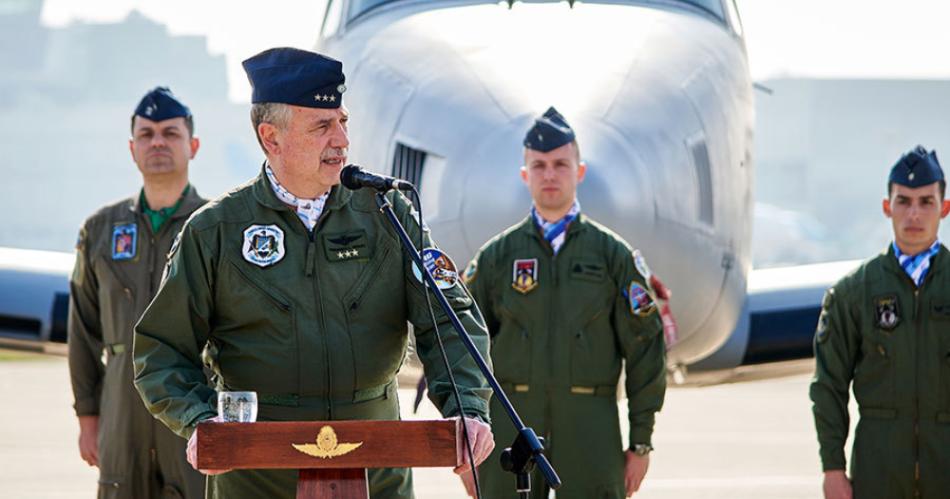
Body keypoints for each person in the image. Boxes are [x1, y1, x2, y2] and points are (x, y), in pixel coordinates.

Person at [131, 47, 495, 499]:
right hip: (256, 476)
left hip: (376, 469)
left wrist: (468, 408)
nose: (341, 139)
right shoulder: (216, 232)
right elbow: (161, 351)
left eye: (343, 122)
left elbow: (449, 319)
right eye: (322, 126)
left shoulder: (387, 214)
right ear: (271, 138)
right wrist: (200, 421)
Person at [462, 107, 667, 498]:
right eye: (539, 166)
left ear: (580, 171)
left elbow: (646, 350)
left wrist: (641, 442)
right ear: (525, 175)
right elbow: (464, 353)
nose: (550, 174)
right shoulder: (496, 258)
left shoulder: (613, 257)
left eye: (560, 164)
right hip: (511, 428)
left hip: (591, 431)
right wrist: (467, 443)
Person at [68, 86, 207, 498]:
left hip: (193, 409)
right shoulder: (100, 230)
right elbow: (83, 331)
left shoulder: (215, 227)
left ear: (193, 145)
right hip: (119, 414)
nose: (158, 142)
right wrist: (88, 416)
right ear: (132, 149)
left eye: (170, 133)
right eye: (146, 135)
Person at [810, 145, 950, 499]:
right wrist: (833, 469)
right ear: (887, 207)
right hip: (879, 472)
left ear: (944, 209)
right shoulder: (853, 293)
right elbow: (829, 387)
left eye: (926, 202)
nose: (913, 214)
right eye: (903, 201)